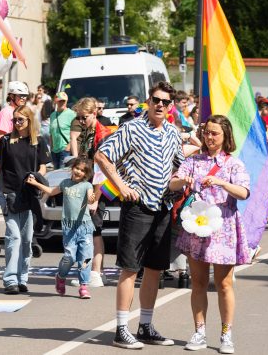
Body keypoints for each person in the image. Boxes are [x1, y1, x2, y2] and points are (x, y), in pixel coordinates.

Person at [95, 81, 184, 349]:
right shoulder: (132, 128)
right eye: (155, 100)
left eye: (165, 102)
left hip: (164, 207)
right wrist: (121, 186)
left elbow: (178, 164)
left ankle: (145, 325)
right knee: (130, 268)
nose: (160, 105)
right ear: (148, 101)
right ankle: (121, 328)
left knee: (155, 269)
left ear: (171, 107)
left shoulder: (172, 132)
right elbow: (102, 155)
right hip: (138, 205)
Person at [169, 115, 250, 353]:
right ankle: (199, 332)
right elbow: (172, 184)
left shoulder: (234, 164)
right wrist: (181, 180)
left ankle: (226, 334)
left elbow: (244, 193)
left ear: (226, 136)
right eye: (207, 132)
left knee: (224, 284)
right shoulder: (194, 160)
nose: (209, 137)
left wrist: (222, 183)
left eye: (215, 133)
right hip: (197, 227)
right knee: (199, 283)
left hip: (223, 229)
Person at [0, 106, 49, 294]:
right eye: (14, 120)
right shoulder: (6, 141)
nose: (16, 123)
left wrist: (37, 176)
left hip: (29, 194)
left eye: (20, 119)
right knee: (13, 236)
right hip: (9, 193)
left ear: (29, 120)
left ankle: (22, 278)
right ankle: (10, 280)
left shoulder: (38, 141)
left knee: (27, 239)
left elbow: (44, 166)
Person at [26, 157, 99, 299]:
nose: (78, 171)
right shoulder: (65, 183)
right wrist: (35, 183)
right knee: (69, 257)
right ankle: (60, 276)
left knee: (85, 258)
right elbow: (51, 191)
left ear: (86, 174)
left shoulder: (86, 186)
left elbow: (90, 197)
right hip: (69, 228)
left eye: (82, 170)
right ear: (72, 168)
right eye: (77, 168)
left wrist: (91, 199)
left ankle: (84, 286)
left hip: (84, 227)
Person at [70, 96, 114, 287]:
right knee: (90, 231)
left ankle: (94, 272)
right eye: (79, 117)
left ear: (94, 113)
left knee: (94, 231)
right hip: (88, 184)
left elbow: (101, 168)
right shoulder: (88, 131)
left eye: (84, 117)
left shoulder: (101, 134)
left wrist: (95, 197)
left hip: (98, 187)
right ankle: (95, 271)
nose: (81, 121)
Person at [48, 92, 76, 170]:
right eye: (60, 101)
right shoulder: (52, 115)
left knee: (62, 173)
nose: (62, 103)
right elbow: (51, 132)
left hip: (65, 149)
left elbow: (75, 132)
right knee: (56, 173)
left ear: (66, 101)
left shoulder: (72, 114)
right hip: (54, 150)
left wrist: (68, 146)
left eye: (64, 101)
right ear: (56, 102)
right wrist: (51, 148)